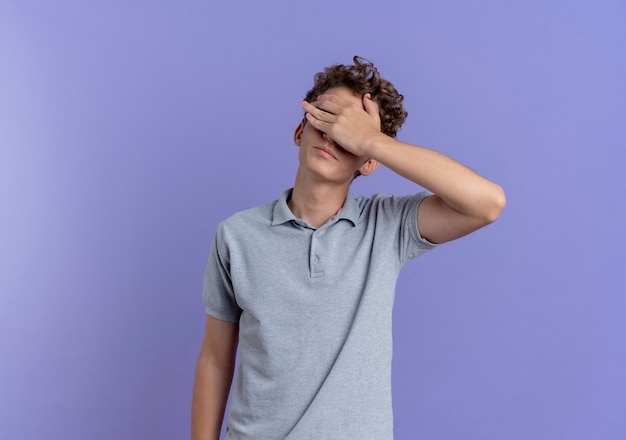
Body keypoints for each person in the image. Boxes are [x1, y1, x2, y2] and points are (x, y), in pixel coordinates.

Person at [191, 56, 506, 440]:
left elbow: (487, 203)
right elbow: (215, 359)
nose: (331, 136)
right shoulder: (236, 236)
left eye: (348, 132)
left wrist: (372, 139)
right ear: (299, 130)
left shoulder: (386, 226)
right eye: (324, 118)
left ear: (370, 162)